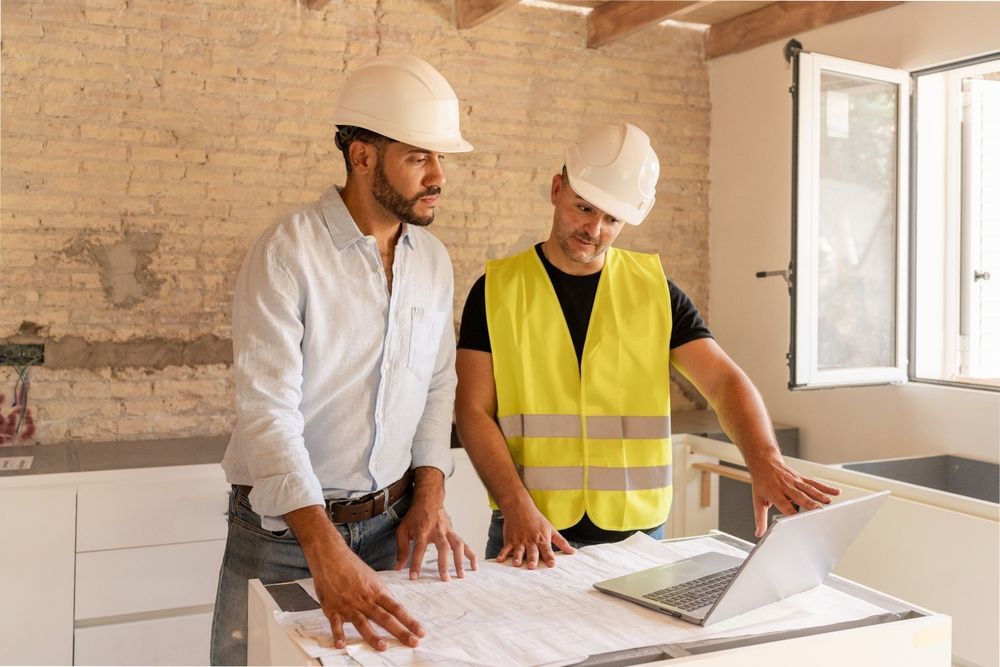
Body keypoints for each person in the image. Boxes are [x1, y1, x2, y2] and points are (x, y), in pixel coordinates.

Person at [455, 122, 839, 570]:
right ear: (557, 189)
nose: (594, 229)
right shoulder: (496, 289)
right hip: (528, 528)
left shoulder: (656, 292)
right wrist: (514, 505)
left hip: (636, 539)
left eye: (612, 219)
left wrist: (764, 459)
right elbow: (472, 410)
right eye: (583, 207)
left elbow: (722, 381)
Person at [212, 53, 478, 665]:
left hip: (393, 526)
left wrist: (429, 494)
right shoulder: (285, 255)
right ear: (362, 156)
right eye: (418, 157)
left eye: (441, 158)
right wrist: (324, 549)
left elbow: (437, 386)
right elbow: (267, 413)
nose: (438, 175)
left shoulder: (432, 260)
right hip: (285, 534)